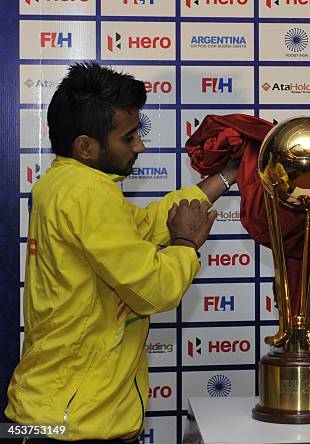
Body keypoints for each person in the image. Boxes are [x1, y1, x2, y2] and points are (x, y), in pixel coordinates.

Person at [5, 62, 238, 442]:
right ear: (86, 146)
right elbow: (155, 287)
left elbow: (146, 225)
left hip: (59, 415)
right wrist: (185, 244)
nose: (139, 146)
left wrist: (227, 175)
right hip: (74, 424)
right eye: (129, 137)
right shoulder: (88, 194)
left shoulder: (65, 183)